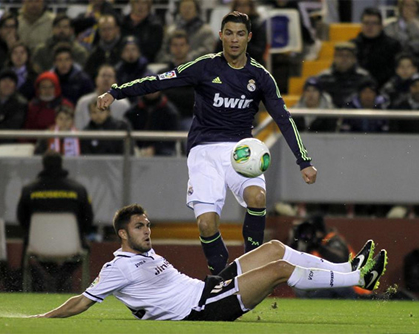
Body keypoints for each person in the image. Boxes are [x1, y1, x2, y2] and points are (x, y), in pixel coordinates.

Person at [97, 11, 318, 275]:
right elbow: (159, 81)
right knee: (206, 225)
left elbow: (284, 118)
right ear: (220, 35)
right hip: (204, 150)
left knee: (257, 197)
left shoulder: (260, 77)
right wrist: (116, 92)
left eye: (239, 34)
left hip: (242, 150)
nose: (234, 40)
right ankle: (222, 277)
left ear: (248, 37)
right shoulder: (204, 67)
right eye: (229, 33)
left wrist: (303, 161)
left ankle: (253, 268)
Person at [30, 203, 387, 320]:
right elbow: (82, 300)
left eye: (148, 224)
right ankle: (357, 281)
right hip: (202, 307)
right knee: (279, 270)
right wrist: (44, 318)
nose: (147, 230)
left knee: (275, 247)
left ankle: (350, 268)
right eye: (139, 227)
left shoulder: (147, 253)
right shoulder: (116, 268)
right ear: (122, 235)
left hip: (208, 288)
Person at [17, 150, 94, 292]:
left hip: (38, 244)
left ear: (43, 165)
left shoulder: (29, 190)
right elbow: (88, 219)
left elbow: (22, 219)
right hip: (72, 244)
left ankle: (54, 275)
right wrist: (78, 234)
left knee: (28, 241)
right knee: (85, 247)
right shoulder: (78, 190)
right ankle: (61, 276)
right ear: (61, 163)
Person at [289, 215, 373, 299]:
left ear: (318, 231)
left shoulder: (332, 240)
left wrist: (319, 247)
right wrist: (295, 241)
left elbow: (340, 260)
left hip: (352, 287)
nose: (308, 235)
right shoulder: (308, 245)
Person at [350, 7, 402, 87]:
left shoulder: (393, 45)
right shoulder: (352, 46)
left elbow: (396, 72)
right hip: (356, 87)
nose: (370, 27)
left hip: (384, 87)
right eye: (366, 23)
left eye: (374, 23)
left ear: (381, 26)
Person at [158, 30, 195, 132]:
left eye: (182, 45)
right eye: (175, 45)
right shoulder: (163, 73)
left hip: (188, 117)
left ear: (188, 47)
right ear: (170, 48)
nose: (178, 49)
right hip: (165, 117)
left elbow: (193, 98)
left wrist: (169, 92)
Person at [124, 90, 180, 156]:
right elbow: (127, 131)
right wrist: (135, 147)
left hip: (161, 151)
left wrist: (154, 149)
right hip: (137, 150)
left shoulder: (170, 112)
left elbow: (171, 139)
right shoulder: (132, 111)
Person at [75, 64, 131, 130]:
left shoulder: (123, 104)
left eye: (110, 76)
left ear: (115, 81)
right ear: (96, 79)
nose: (106, 79)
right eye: (103, 75)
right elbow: (78, 129)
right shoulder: (83, 102)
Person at [317, 42, 372, 108]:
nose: (344, 59)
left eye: (348, 56)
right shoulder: (324, 77)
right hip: (330, 114)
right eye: (340, 55)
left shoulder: (363, 77)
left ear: (354, 59)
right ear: (334, 58)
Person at [0, 69, 28, 154]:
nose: (7, 84)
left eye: (10, 81)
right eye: (4, 80)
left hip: (7, 143)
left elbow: (12, 127)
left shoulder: (20, 103)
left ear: (15, 85)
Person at [84, 14, 123, 81]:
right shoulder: (94, 52)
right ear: (99, 31)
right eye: (103, 29)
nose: (107, 32)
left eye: (109, 29)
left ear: (117, 29)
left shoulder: (124, 50)